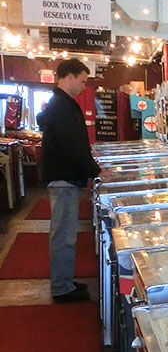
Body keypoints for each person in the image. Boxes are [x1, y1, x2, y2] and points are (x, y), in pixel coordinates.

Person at [39, 58, 99, 303]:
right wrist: (94, 170)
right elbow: (73, 146)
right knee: (63, 235)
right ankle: (62, 287)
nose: (84, 87)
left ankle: (64, 281)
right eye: (83, 81)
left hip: (65, 177)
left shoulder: (62, 104)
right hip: (64, 178)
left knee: (65, 234)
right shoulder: (61, 106)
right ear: (70, 76)